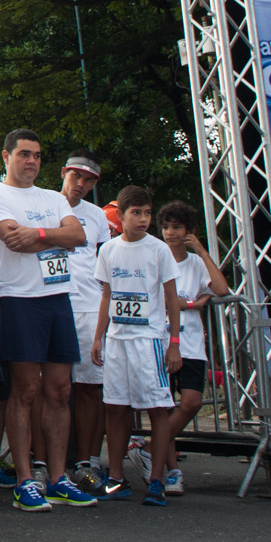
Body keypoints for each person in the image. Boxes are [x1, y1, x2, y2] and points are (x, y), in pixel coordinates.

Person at [0, 128, 98, 512]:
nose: (31, 161)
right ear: (6, 156)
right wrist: (55, 235)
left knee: (60, 390)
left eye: (37, 155)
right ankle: (26, 479)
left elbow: (78, 235)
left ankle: (59, 478)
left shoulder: (51, 197)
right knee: (25, 391)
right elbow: (13, 240)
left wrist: (41, 233)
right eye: (24, 154)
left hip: (58, 299)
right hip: (19, 299)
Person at [91, 186, 179, 506]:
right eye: (136, 213)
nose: (143, 219)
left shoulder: (158, 250)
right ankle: (116, 478)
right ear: (122, 215)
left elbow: (171, 298)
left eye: (147, 213)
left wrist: (174, 344)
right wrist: (99, 337)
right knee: (115, 408)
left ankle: (157, 479)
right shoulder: (109, 250)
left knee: (157, 408)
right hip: (117, 341)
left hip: (149, 340)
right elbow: (106, 296)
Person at [158, 200, 227, 495]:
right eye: (165, 227)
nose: (169, 232)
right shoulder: (156, 258)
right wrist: (189, 304)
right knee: (164, 408)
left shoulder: (196, 263)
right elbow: (155, 300)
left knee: (191, 402)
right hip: (161, 342)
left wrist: (201, 250)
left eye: (176, 227)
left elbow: (222, 290)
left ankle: (150, 448)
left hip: (192, 345)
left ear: (189, 231)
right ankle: (172, 471)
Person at [55, 151, 113, 495]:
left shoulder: (97, 217)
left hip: (90, 308)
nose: (80, 184)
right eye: (75, 176)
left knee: (90, 388)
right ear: (63, 173)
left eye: (88, 180)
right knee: (51, 388)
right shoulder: (45, 203)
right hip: (53, 302)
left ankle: (88, 460)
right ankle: (49, 461)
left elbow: (105, 269)